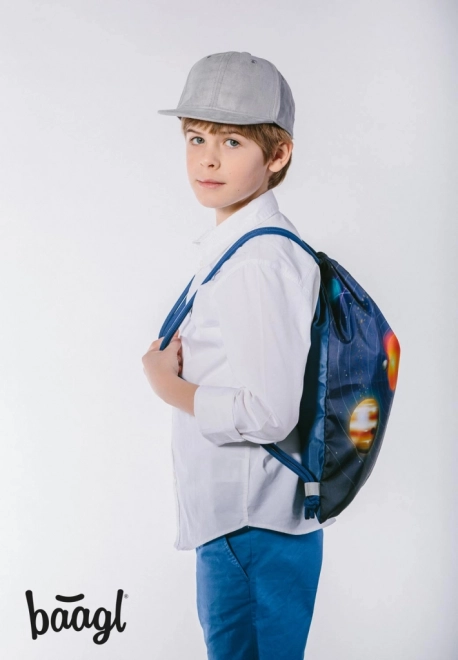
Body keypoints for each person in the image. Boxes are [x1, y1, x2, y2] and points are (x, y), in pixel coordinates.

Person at [142, 51, 336, 660]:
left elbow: (269, 413)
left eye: (232, 141)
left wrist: (166, 385)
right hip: (248, 525)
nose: (208, 159)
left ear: (277, 156)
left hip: (251, 526)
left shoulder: (257, 261)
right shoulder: (243, 247)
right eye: (196, 138)